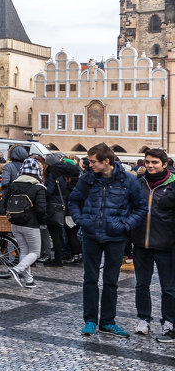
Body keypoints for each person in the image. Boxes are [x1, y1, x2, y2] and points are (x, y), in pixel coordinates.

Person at [68, 143, 147, 338]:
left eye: (93, 161)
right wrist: (81, 220)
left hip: (116, 237)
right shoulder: (87, 180)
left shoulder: (128, 181)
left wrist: (125, 225)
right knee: (90, 279)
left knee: (111, 281)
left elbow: (141, 208)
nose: (89, 164)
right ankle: (90, 321)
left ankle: (107, 321)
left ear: (107, 161)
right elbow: (73, 201)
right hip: (91, 235)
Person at [131, 148, 175, 340]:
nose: (150, 165)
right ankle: (144, 319)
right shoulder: (139, 183)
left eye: (155, 162)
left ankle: (169, 321)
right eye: (147, 162)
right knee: (141, 284)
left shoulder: (172, 184)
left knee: (169, 288)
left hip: (166, 244)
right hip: (141, 243)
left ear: (165, 164)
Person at [4, 157, 49, 289]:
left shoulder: (13, 184)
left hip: (15, 223)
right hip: (31, 224)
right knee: (35, 252)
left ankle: (29, 280)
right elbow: (41, 209)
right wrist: (42, 221)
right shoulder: (38, 187)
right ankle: (17, 270)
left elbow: (5, 203)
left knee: (24, 250)